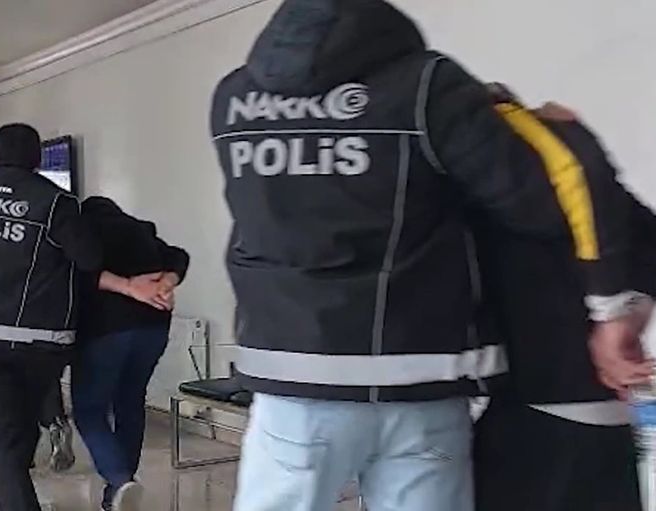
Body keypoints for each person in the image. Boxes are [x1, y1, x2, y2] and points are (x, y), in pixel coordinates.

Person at [209, 1, 640, 510]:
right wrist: (542, 132)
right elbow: (544, 204)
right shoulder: (427, 83)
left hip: (294, 376)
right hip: (421, 376)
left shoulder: (233, 97)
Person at [0, 123, 166, 511]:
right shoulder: (56, 202)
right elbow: (89, 259)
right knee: (20, 429)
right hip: (39, 340)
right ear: (37, 157)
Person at [471, 92, 651, 511]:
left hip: (526, 417)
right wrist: (625, 320)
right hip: (605, 417)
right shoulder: (582, 178)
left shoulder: (475, 190)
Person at [72, 196, 189, 511]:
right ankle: (118, 492)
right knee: (130, 402)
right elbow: (179, 256)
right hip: (153, 329)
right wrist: (166, 282)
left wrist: (125, 286)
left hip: (105, 332)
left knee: (89, 410)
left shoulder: (83, 233)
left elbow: (77, 273)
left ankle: (120, 479)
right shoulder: (139, 230)